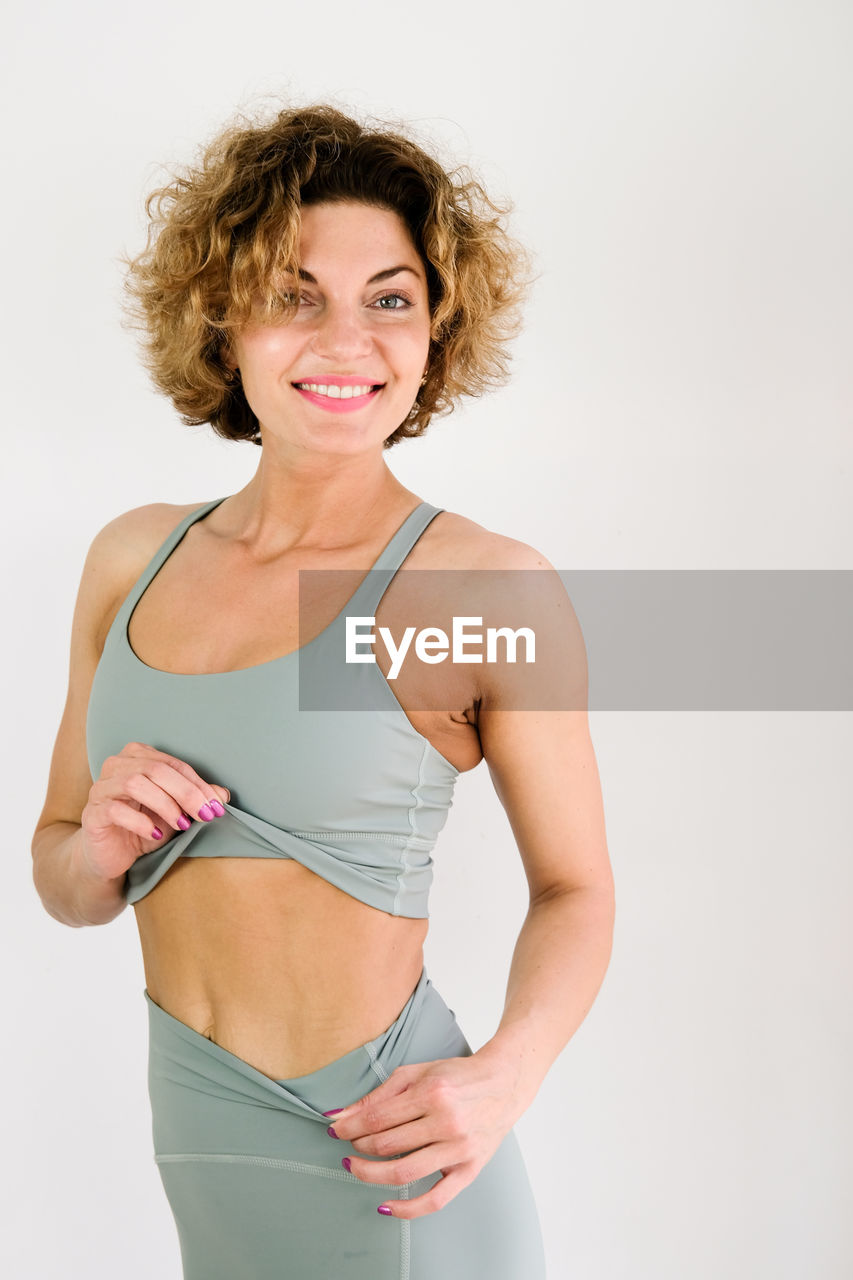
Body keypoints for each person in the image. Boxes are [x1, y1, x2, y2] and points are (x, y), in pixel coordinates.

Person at [31, 100, 615, 1279]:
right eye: (295, 295)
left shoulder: (482, 583)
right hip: (199, 1150)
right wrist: (94, 844)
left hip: (391, 1161)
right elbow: (64, 876)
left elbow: (577, 888)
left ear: (436, 332)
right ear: (221, 318)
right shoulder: (129, 556)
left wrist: (504, 1076)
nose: (346, 341)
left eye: (389, 299)